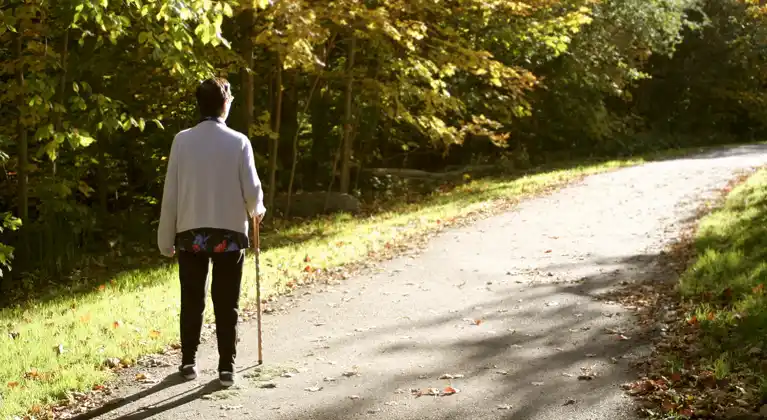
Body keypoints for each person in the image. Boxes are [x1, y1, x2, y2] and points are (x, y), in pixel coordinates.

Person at [157, 77, 266, 387]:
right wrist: (257, 211)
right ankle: (226, 368)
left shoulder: (182, 140)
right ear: (225, 104)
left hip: (191, 233)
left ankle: (189, 362)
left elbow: (172, 193)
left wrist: (165, 239)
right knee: (226, 301)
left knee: (192, 299)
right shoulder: (239, 141)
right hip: (229, 234)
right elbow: (252, 191)